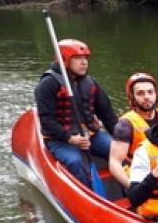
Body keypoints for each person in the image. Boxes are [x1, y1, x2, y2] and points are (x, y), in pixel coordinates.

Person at [34, 38, 118, 186]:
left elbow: (107, 115)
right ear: (64, 60)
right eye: (78, 58)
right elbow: (47, 122)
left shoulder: (90, 83)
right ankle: (88, 196)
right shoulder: (47, 85)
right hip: (60, 140)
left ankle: (129, 190)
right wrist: (70, 139)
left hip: (92, 136)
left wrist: (121, 138)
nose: (84, 62)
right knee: (75, 161)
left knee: (118, 151)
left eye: (85, 58)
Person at [109, 72, 158, 189]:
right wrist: (132, 188)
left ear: (156, 94)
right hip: (138, 171)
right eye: (140, 93)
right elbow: (115, 163)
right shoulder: (125, 125)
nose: (147, 96)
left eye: (150, 92)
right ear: (132, 97)